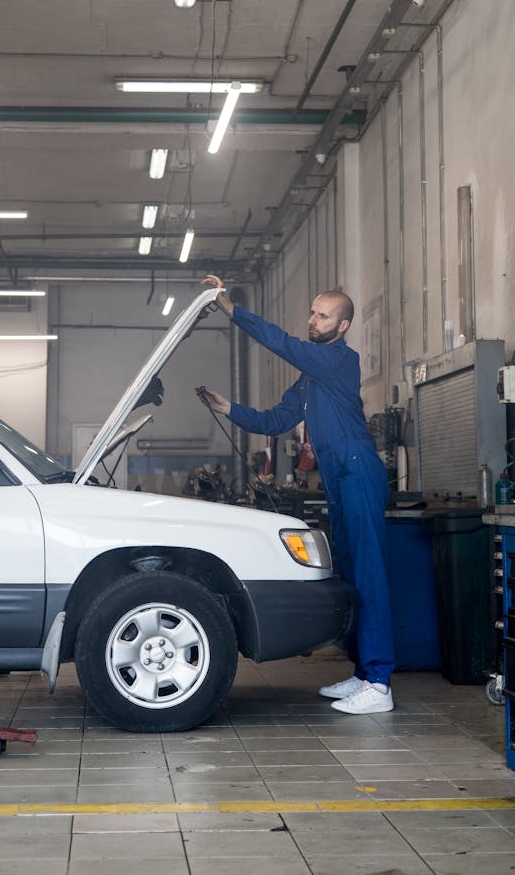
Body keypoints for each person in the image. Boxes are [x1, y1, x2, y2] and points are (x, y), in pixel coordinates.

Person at [197, 274, 394, 715]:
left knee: (370, 575)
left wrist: (230, 307)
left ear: (342, 327)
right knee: (351, 575)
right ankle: (363, 674)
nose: (312, 321)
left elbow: (279, 342)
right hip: (338, 476)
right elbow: (273, 421)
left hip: (357, 470)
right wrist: (228, 408)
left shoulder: (339, 362)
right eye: (312, 312)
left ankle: (380, 683)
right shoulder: (310, 379)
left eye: (323, 316)